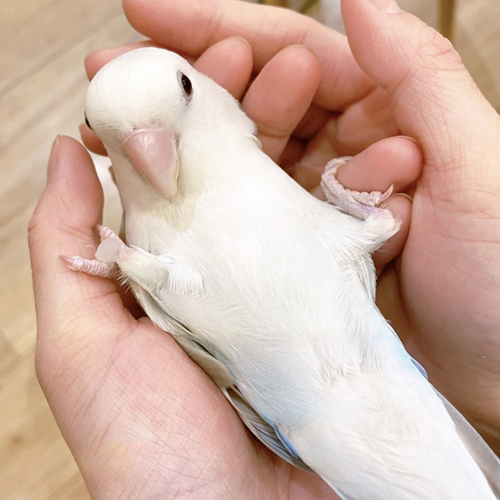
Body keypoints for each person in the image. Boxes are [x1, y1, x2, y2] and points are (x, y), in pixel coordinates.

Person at [29, 0, 500, 498]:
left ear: (199, 87)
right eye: (121, 142)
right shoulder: (151, 235)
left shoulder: (247, 180)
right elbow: (197, 315)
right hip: (310, 420)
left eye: (181, 92)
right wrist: (124, 262)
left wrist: (354, 211)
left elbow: (360, 239)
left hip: (376, 375)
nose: (150, 155)